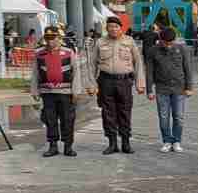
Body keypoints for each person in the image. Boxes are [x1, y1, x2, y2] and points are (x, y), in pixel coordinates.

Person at [92, 15, 145, 154]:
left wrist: (140, 83)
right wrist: (91, 84)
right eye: (110, 27)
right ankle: (112, 143)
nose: (113, 29)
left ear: (121, 28)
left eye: (116, 27)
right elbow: (93, 64)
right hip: (105, 81)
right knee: (108, 113)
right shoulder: (100, 42)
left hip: (124, 81)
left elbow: (138, 62)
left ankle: (126, 142)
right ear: (107, 28)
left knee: (125, 112)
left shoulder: (129, 41)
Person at [30, 25, 83, 158]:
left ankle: (68, 146)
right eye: (47, 38)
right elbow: (35, 73)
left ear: (59, 38)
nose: (49, 41)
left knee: (67, 120)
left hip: (65, 93)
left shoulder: (68, 52)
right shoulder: (39, 53)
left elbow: (76, 72)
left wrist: (76, 91)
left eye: (52, 38)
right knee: (50, 120)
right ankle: (52, 146)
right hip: (47, 93)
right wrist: (35, 91)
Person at [146, 26, 195, 153]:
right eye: (165, 42)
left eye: (171, 42)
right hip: (162, 89)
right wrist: (149, 90)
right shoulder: (153, 51)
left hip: (179, 88)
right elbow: (149, 72)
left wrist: (189, 87)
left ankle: (177, 141)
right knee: (163, 117)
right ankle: (167, 141)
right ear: (160, 40)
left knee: (178, 116)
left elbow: (188, 69)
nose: (168, 45)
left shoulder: (182, 49)